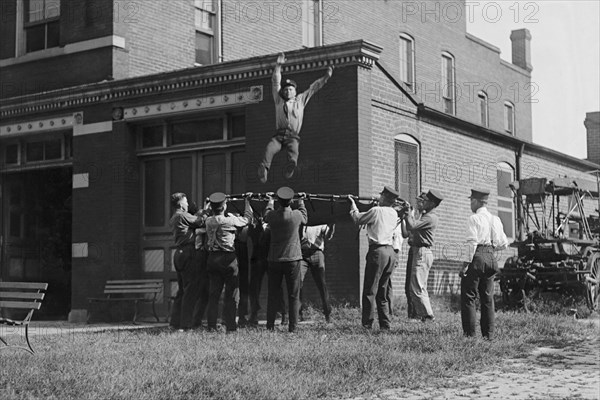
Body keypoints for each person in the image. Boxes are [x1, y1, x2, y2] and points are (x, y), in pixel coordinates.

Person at [258, 52, 333, 183]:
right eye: (285, 90)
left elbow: (314, 87)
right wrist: (278, 66)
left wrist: (326, 77)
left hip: (292, 135)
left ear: (295, 91)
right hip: (279, 135)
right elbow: (275, 82)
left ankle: (290, 168)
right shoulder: (278, 100)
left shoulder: (300, 100)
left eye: (290, 89)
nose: (287, 91)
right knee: (269, 149)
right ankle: (264, 170)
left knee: (294, 151)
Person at [348, 186, 399, 330]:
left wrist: (353, 204)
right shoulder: (393, 212)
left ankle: (367, 325)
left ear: (383, 198)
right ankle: (385, 324)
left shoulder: (376, 211)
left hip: (378, 251)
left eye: (381, 196)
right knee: (382, 291)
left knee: (370, 290)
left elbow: (357, 219)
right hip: (390, 252)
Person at [460, 189, 508, 340]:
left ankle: (470, 336)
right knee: (487, 298)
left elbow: (472, 242)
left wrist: (465, 265)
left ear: (476, 201)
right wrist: (491, 248)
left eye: (471, 201)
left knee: (469, 296)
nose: (470, 204)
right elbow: (504, 243)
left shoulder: (474, 218)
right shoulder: (495, 219)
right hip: (491, 257)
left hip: (477, 256)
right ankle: (489, 336)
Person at [204, 192, 252, 332]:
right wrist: (247, 202)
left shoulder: (208, 221)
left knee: (214, 294)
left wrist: (208, 202)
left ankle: (211, 326)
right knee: (232, 294)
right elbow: (247, 219)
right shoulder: (229, 221)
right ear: (224, 206)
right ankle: (231, 326)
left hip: (213, 258)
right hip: (228, 259)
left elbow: (208, 212)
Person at [264, 186, 308, 332]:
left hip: (274, 259)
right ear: (291, 201)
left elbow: (266, 214)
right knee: (293, 294)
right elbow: (305, 217)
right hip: (292, 258)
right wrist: (301, 201)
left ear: (278, 200)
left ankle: (270, 326)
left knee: (273, 294)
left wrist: (270, 201)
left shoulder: (272, 216)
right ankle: (293, 327)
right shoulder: (295, 215)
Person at [404, 189, 443, 322]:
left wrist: (407, 213)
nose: (422, 202)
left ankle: (428, 316)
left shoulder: (430, 217)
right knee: (418, 286)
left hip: (422, 251)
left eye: (425, 201)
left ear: (432, 203)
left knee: (417, 287)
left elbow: (411, 225)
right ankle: (423, 316)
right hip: (419, 251)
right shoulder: (426, 215)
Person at [169, 193, 204, 331]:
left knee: (182, 291)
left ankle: (175, 323)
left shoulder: (175, 217)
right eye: (186, 201)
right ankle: (186, 325)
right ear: (180, 203)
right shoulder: (182, 215)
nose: (188, 204)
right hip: (188, 252)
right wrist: (205, 210)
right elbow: (200, 221)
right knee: (190, 290)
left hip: (179, 253)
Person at [299, 223, 335, 322]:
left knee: (321, 284)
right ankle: (298, 314)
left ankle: (327, 314)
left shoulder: (321, 222)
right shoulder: (303, 220)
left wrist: (332, 226)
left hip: (317, 252)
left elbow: (328, 236)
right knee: (298, 283)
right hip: (303, 253)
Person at [401, 192, 426, 319]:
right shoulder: (415, 215)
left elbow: (414, 228)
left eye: (420, 201)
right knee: (408, 285)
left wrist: (409, 215)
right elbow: (406, 234)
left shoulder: (425, 217)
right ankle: (412, 314)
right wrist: (402, 218)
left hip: (420, 250)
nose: (418, 204)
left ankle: (419, 314)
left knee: (417, 284)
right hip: (413, 249)